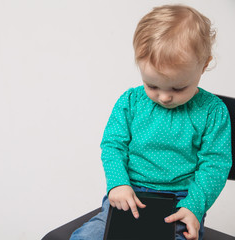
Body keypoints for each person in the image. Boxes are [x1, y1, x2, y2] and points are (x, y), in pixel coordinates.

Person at [70, 4, 232, 240]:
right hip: (129, 193)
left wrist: (194, 207)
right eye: (152, 85)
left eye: (178, 87)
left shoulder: (212, 111)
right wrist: (117, 184)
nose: (164, 97)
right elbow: (113, 145)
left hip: (182, 202)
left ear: (204, 65)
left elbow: (215, 164)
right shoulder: (131, 101)